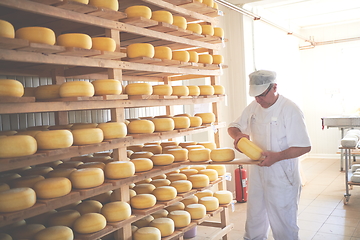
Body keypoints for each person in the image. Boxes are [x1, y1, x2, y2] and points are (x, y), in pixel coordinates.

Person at [228, 70, 311, 240]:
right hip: (258, 174)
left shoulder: (289, 109)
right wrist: (238, 135)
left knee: (283, 225)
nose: (258, 100)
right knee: (254, 221)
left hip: (282, 175)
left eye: (261, 95)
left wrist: (278, 156)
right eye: (255, 96)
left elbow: (304, 147)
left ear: (274, 87)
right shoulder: (254, 106)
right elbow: (233, 126)